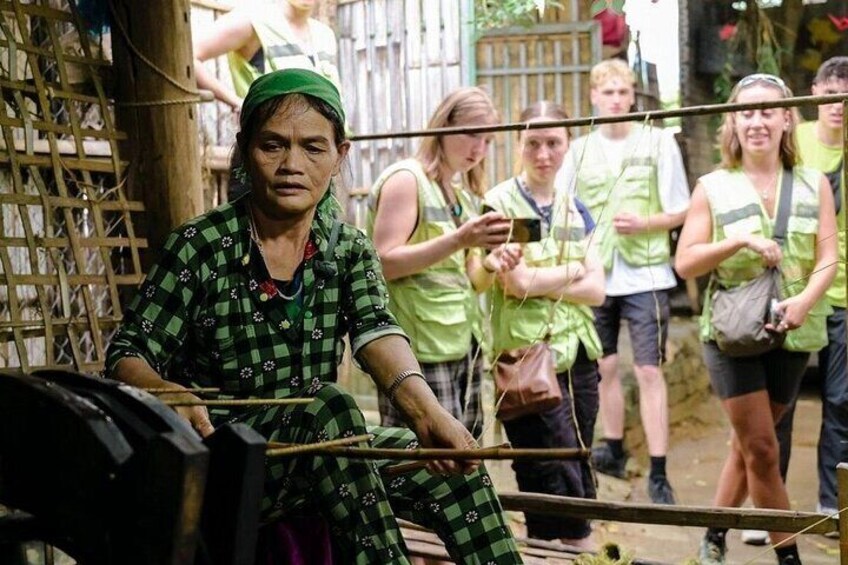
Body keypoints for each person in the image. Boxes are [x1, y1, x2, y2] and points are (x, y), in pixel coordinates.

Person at [105, 68, 523, 564]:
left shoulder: (347, 249)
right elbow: (127, 352)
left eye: (313, 148)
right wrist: (167, 390)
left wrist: (428, 414)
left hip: (325, 450)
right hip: (224, 461)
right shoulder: (202, 246)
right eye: (272, 145)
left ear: (339, 155)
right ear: (245, 150)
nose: (291, 165)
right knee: (330, 407)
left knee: (457, 470)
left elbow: (376, 330)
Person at [675, 73, 837, 565]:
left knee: (746, 445)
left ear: (788, 118)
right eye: (746, 112)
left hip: (793, 332)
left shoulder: (814, 183)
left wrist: (805, 301)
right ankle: (790, 557)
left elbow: (828, 257)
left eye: (768, 111)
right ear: (732, 122)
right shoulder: (712, 186)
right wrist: (738, 241)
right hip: (732, 333)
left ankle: (713, 535)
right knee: (764, 450)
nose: (756, 121)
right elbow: (686, 263)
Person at [556, 58, 689, 504]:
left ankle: (659, 471)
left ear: (633, 96)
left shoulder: (657, 142)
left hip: (647, 272)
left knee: (649, 369)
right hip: (597, 273)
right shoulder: (578, 150)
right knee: (605, 366)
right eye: (607, 92)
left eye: (622, 92)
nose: (615, 99)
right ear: (594, 97)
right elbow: (563, 208)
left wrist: (647, 223)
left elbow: (681, 207)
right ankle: (612, 449)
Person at [484, 101, 605, 549]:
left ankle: (567, 549)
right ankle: (566, 550)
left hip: (580, 354)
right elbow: (515, 283)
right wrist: (573, 271)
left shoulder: (576, 208)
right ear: (519, 144)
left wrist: (545, 281)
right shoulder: (500, 204)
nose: (543, 153)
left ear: (568, 144)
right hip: (527, 358)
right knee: (545, 471)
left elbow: (598, 290)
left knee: (579, 461)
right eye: (533, 143)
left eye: (553, 142)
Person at [367, 87, 520, 438]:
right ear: (444, 125)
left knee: (465, 450)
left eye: (487, 141)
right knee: (429, 453)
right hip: (416, 349)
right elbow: (383, 262)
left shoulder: (461, 195)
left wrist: (492, 263)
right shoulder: (407, 179)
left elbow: (473, 280)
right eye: (472, 134)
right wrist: (460, 239)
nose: (478, 150)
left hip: (462, 343)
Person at [194, 0, 341, 200]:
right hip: (269, 152)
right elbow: (191, 56)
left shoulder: (324, 35)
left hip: (317, 155)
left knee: (319, 219)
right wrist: (236, 101)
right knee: (251, 217)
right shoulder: (254, 20)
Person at [795, 56, 848, 520]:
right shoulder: (794, 142)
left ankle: (831, 502)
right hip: (798, 285)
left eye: (846, 98)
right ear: (814, 93)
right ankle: (767, 508)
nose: (838, 105)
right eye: (831, 94)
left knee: (841, 401)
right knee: (779, 403)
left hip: (844, 294)